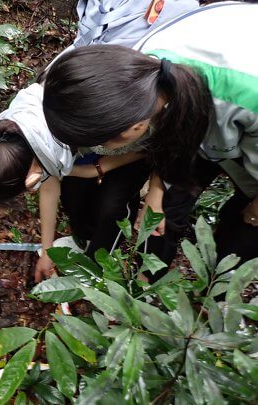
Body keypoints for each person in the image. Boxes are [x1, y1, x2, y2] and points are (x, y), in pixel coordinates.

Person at [43, 2, 258, 268]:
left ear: (133, 128)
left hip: (241, 112)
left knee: (243, 235)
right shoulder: (142, 69)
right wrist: (156, 191)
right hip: (215, 128)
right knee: (164, 210)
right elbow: (172, 138)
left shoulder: (242, 96)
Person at [0, 83, 146, 282]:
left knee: (112, 207)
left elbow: (147, 147)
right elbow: (50, 188)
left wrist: (96, 169)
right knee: (74, 196)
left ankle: (98, 268)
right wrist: (47, 250)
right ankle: (85, 240)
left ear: (31, 176)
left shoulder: (91, 118)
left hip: (134, 139)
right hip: (89, 149)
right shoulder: (14, 137)